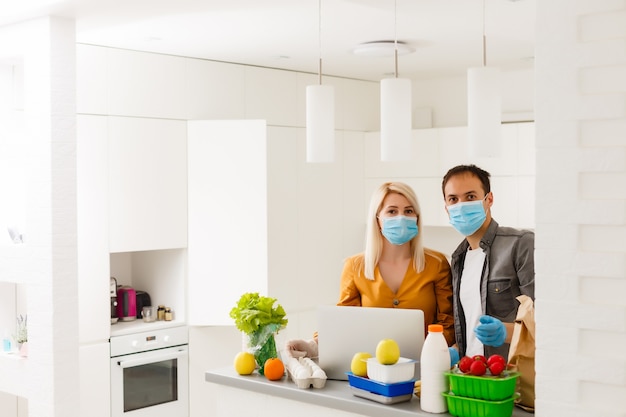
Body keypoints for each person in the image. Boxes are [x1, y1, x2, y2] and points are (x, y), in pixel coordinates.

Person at [285, 182, 455, 359]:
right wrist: (313, 345)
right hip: (370, 369)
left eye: (409, 211)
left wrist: (434, 354)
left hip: (424, 366)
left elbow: (448, 322)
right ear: (377, 219)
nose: (401, 217)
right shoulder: (355, 266)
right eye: (392, 211)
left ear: (417, 218)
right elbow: (343, 320)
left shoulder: (437, 264)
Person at [442, 164, 535, 364]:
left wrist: (506, 332)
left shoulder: (521, 244)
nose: (461, 205)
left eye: (470, 197)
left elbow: (547, 321)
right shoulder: (458, 259)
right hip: (471, 375)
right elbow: (470, 325)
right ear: (446, 208)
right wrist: (454, 350)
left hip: (511, 376)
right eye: (453, 199)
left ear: (489, 199)